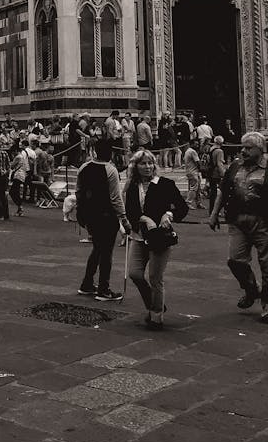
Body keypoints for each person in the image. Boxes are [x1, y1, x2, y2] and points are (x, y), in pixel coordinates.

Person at [209, 131, 268, 324]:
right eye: (242, 147)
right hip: (238, 220)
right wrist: (213, 214)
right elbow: (222, 190)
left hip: (265, 221)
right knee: (235, 260)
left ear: (260, 150)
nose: (243, 151)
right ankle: (251, 289)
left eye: (248, 148)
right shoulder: (235, 166)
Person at [124, 149, 188, 330]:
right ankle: (153, 303)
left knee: (155, 277)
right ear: (135, 166)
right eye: (143, 163)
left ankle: (156, 316)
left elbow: (182, 208)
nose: (147, 167)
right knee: (135, 274)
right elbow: (130, 211)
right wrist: (144, 219)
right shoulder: (131, 186)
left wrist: (169, 214)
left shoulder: (165, 184)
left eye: (150, 163)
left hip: (160, 237)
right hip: (139, 236)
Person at [76, 138, 130, 301]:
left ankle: (87, 283)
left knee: (98, 248)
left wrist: (81, 212)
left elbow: (78, 192)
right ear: (110, 152)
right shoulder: (110, 170)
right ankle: (104, 289)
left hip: (89, 215)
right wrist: (124, 218)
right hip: (106, 216)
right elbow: (115, 198)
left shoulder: (84, 167)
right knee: (106, 252)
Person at [183, 140, 202, 209]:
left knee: (198, 188)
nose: (197, 145)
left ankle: (198, 203)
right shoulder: (192, 152)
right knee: (194, 188)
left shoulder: (187, 151)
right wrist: (202, 169)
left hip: (190, 171)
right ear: (191, 144)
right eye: (196, 144)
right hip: (193, 172)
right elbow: (197, 162)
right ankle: (188, 202)